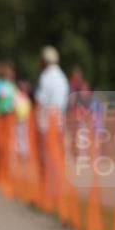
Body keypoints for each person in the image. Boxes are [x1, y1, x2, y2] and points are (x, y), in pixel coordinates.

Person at [33, 46, 69, 199]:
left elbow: (40, 100)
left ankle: (48, 189)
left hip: (47, 119)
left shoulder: (46, 76)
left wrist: (36, 119)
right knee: (57, 154)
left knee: (46, 155)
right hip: (59, 118)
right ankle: (58, 187)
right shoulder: (62, 77)